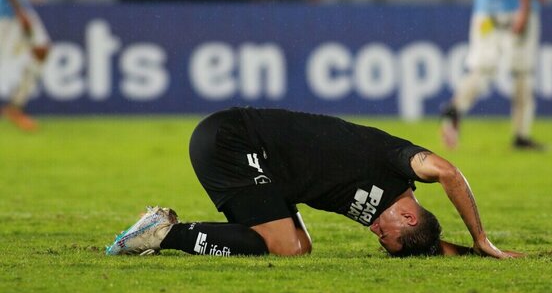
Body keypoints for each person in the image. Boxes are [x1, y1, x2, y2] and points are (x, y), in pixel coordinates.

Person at [106, 107, 522, 259]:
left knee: (299, 248)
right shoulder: (396, 161)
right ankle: (162, 233)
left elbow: (426, 244)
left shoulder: (391, 215)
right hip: (233, 140)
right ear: (410, 215)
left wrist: (473, 255)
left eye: (381, 240)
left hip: (262, 166)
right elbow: (448, 171)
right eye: (386, 235)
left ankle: (164, 232)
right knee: (283, 245)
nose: (375, 232)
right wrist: (483, 237)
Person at [440, 0, 544, 150]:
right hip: (514, 6)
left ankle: (456, 107)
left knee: (482, 67)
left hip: (485, 8)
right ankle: (521, 135)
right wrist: (525, 7)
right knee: (522, 70)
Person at [0, 0, 50, 131]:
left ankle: (15, 108)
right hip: (5, 9)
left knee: (41, 49)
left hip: (20, 6)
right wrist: (19, 10)